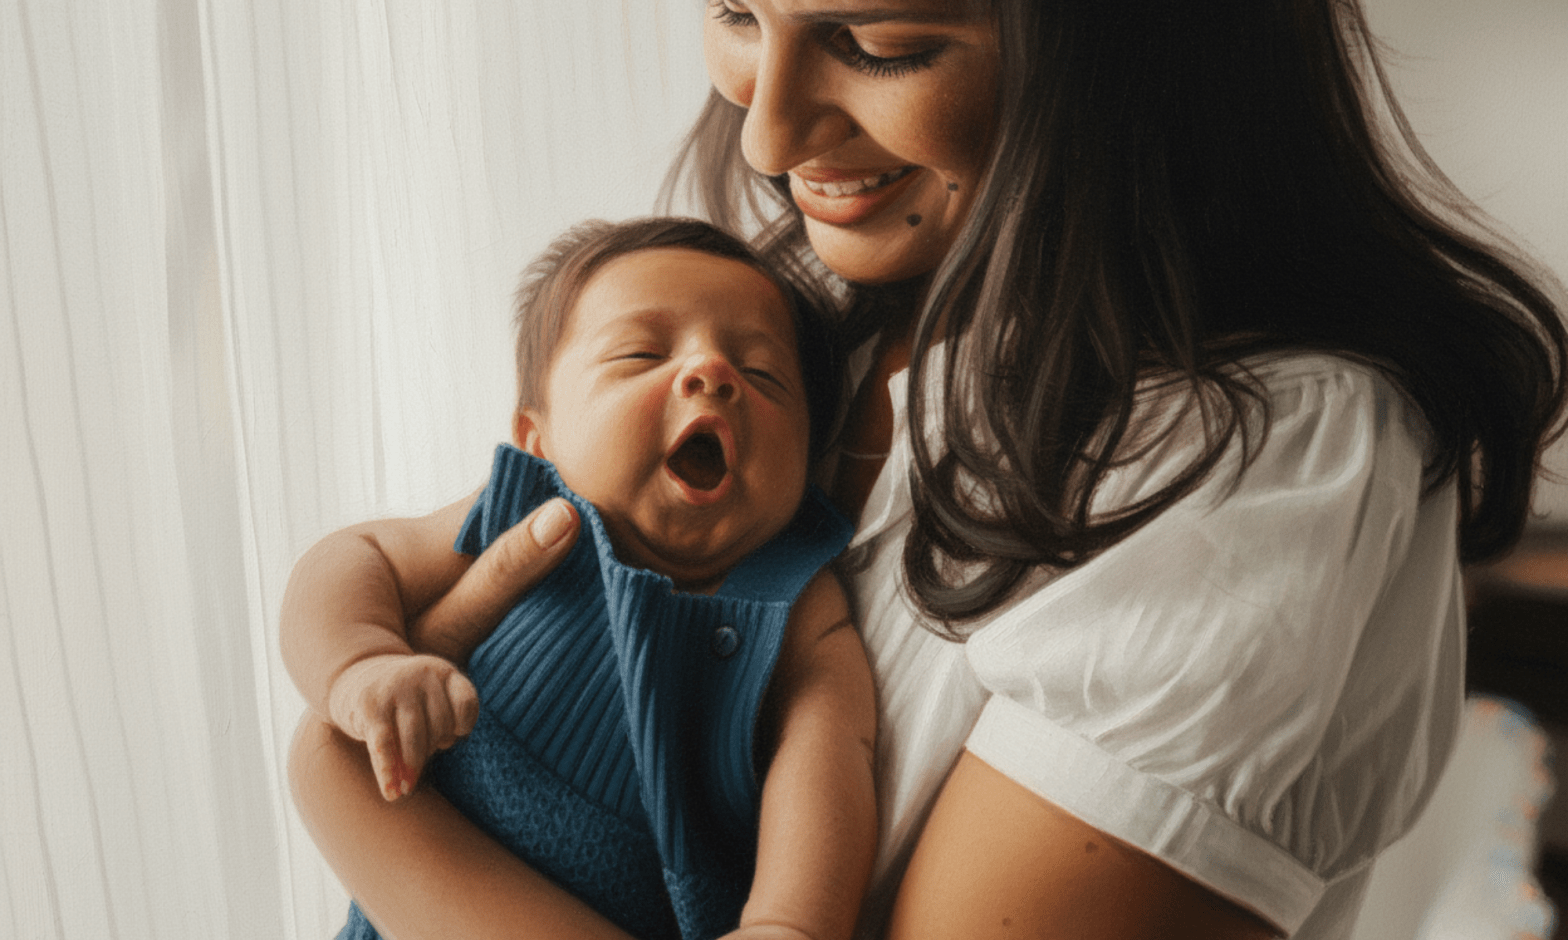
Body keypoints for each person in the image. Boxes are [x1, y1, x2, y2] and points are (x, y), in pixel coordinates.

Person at [286, 1, 1568, 938]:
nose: (766, 136)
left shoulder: (1251, 463)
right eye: (736, 12)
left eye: (879, 44)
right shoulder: (804, 323)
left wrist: (356, 797)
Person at [282, 218, 874, 940]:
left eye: (762, 374)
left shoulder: (794, 592)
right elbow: (356, 557)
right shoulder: (530, 511)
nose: (712, 375)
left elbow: (829, 752)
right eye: (639, 353)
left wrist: (789, 920)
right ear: (539, 437)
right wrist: (363, 662)